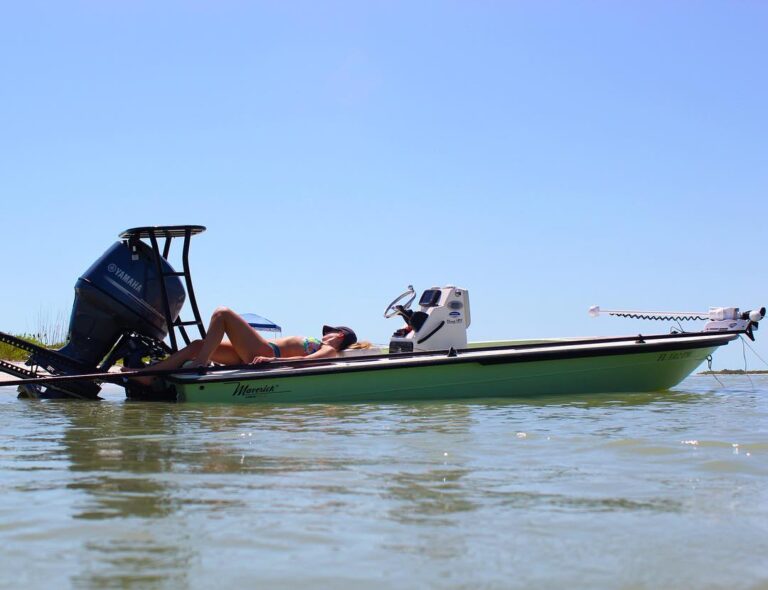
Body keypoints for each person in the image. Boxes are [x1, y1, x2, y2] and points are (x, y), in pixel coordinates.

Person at [127, 306, 359, 383]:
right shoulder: (324, 344)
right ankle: (148, 375)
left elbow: (305, 362)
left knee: (223, 313)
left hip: (265, 353)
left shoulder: (330, 349)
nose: (326, 334)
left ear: (339, 335)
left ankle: (201, 362)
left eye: (330, 332)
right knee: (198, 344)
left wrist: (273, 360)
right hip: (255, 353)